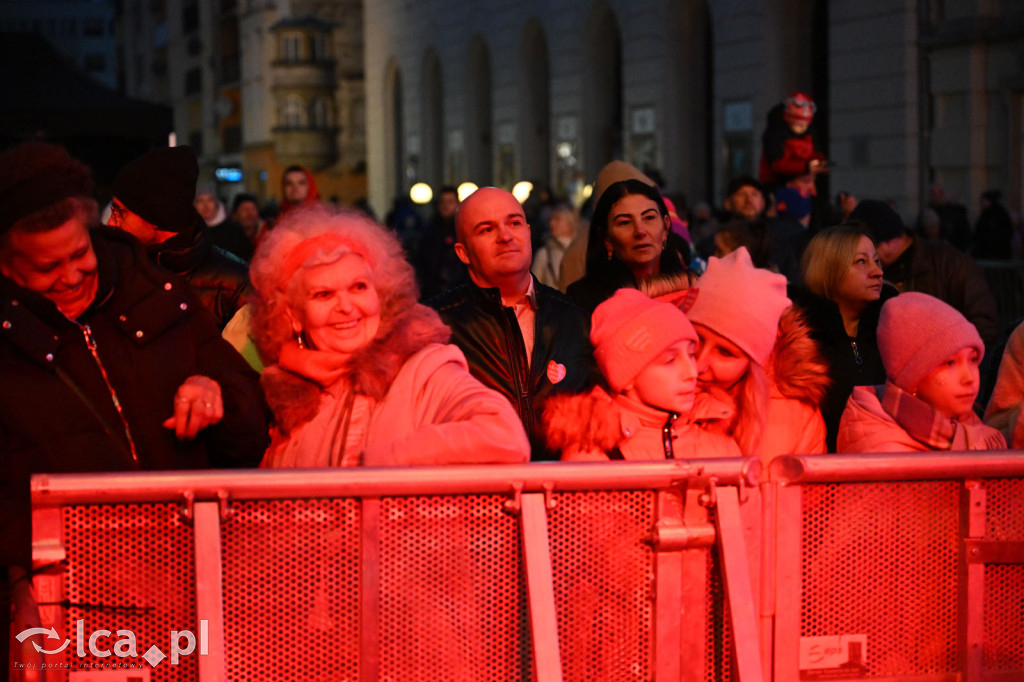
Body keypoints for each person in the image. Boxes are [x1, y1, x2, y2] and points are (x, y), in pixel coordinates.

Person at [0, 141, 267, 578]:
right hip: (68, 601)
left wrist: (220, 396)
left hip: (192, 576)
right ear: (7, 269)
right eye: (47, 267)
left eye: (79, 255)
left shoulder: (158, 293)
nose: (70, 277)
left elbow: (252, 425)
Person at [249, 204, 530, 467]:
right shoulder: (280, 399)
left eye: (359, 287)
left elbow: (503, 436)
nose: (346, 307)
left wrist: (376, 468)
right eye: (324, 294)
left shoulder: (421, 370)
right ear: (293, 317)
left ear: (380, 297)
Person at [427, 187, 600, 460]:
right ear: (463, 253)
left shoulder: (576, 320)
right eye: (486, 230)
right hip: (478, 494)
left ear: (529, 232)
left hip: (563, 493)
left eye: (514, 223)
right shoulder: (435, 326)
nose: (505, 236)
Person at [543, 289, 740, 460]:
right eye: (670, 361)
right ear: (627, 378)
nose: (692, 372)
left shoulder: (722, 447)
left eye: (691, 355)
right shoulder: (595, 458)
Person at [680, 248, 829, 461]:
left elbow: (810, 495)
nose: (699, 363)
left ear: (757, 360)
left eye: (725, 352)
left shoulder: (797, 417)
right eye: (695, 338)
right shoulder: (649, 392)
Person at [838, 293, 1005, 452]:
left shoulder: (963, 422)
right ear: (912, 378)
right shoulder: (884, 450)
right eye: (950, 363)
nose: (969, 378)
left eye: (973, 359)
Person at [107, 145, 250, 330]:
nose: (111, 222)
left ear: (155, 215)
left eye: (120, 212)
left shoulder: (236, 286)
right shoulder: (120, 273)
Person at [794, 224, 897, 452]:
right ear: (829, 268)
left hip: (884, 465)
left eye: (876, 261)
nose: (877, 271)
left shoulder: (893, 327)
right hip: (823, 467)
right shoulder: (801, 338)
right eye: (861, 261)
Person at [850, 198, 998, 353]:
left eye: (867, 252)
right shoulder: (873, 274)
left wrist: (944, 361)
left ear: (889, 243)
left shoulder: (950, 265)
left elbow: (983, 326)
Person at [566, 178, 694, 312]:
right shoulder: (584, 299)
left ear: (665, 228)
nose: (640, 231)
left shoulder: (692, 287)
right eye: (624, 222)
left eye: (649, 218)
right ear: (606, 238)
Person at [759, 92, 829, 189]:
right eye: (797, 124)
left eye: (804, 124)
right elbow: (777, 164)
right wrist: (806, 167)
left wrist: (820, 162)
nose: (801, 128)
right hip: (778, 186)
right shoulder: (774, 134)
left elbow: (815, 151)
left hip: (805, 186)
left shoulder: (809, 133)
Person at [531, 202, 580, 290]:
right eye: (551, 219)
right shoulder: (544, 254)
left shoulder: (580, 250)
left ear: (570, 222)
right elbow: (535, 287)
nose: (552, 223)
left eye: (557, 219)